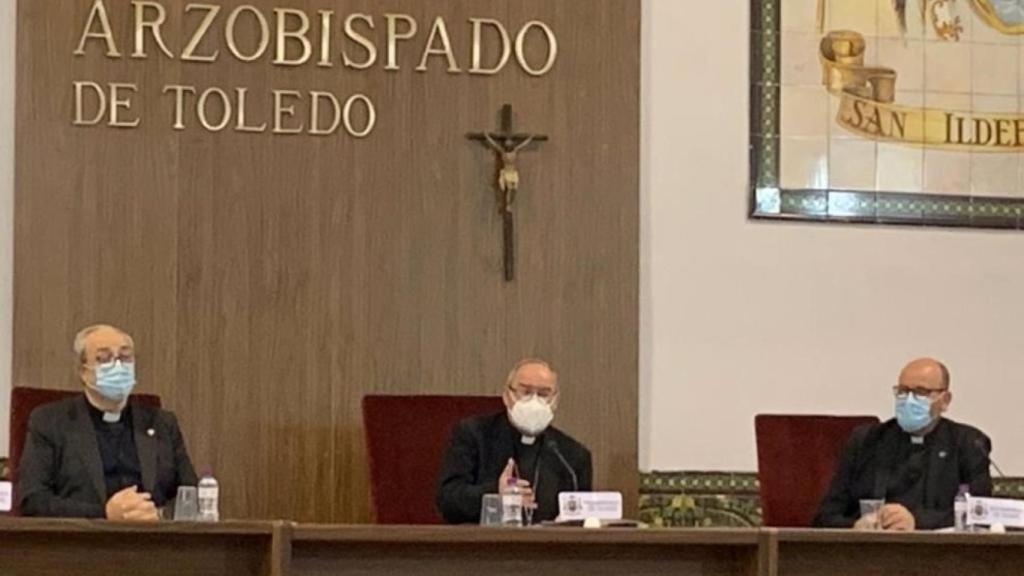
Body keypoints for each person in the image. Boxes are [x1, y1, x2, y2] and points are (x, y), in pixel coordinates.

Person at [17, 324, 197, 520]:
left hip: (153, 541)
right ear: (83, 371)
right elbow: (33, 500)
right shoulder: (50, 421)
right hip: (81, 543)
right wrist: (104, 514)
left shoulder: (162, 423)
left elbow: (192, 495)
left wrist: (158, 515)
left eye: (125, 357)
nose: (118, 366)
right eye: (104, 358)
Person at [814, 358, 993, 530]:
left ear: (944, 400)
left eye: (921, 392)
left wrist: (916, 522)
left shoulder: (969, 443)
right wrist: (856, 526)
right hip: (871, 552)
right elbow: (825, 517)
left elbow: (980, 514)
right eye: (903, 391)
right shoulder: (866, 440)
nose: (909, 400)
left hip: (939, 554)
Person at [436, 359, 592, 524]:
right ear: (506, 396)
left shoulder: (571, 456)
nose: (534, 401)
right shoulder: (473, 434)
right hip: (484, 546)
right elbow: (447, 501)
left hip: (547, 547)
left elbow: (581, 521)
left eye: (544, 394)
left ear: (555, 400)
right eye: (525, 392)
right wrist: (495, 493)